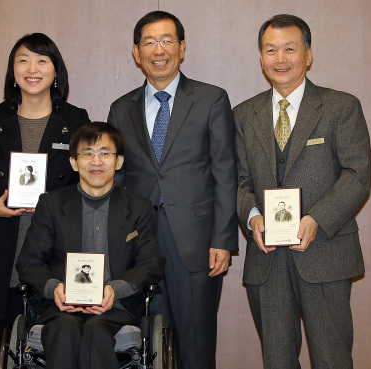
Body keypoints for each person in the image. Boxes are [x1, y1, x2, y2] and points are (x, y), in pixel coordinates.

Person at [233, 14, 371, 368]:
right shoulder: (243, 115)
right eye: (271, 50)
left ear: (307, 55)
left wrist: (317, 219)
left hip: (325, 250)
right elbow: (239, 180)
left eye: (290, 49)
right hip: (267, 258)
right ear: (261, 57)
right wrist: (252, 217)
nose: (280, 59)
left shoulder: (341, 107)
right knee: (277, 360)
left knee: (332, 358)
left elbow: (357, 175)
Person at [107, 11, 238, 369]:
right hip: (140, 244)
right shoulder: (121, 109)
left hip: (196, 243)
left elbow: (226, 172)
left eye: (167, 40)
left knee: (195, 347)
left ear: (182, 48)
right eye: (149, 42)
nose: (158, 49)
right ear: (136, 52)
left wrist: (223, 239)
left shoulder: (211, 99)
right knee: (144, 345)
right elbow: (116, 182)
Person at [0, 32, 90, 346]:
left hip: (57, 250)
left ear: (56, 71)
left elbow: (89, 185)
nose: (32, 68)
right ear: (13, 71)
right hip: (6, 247)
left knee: (59, 344)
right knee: (11, 344)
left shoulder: (76, 121)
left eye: (41, 60)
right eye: (23, 60)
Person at [16, 123, 164, 369]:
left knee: (96, 332)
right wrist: (55, 288)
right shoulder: (51, 205)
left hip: (115, 308)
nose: (97, 161)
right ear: (74, 162)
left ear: (119, 161)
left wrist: (115, 289)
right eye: (88, 153)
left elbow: (151, 263)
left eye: (105, 153)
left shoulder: (138, 207)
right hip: (61, 307)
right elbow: (29, 262)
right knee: (64, 328)